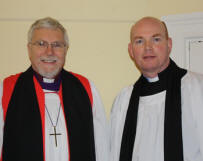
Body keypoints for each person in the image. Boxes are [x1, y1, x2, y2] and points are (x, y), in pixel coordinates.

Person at [0, 17, 109, 161]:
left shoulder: (85, 89)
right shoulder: (8, 90)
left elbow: (102, 149)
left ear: (66, 50)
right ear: (29, 49)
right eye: (41, 44)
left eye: (57, 45)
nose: (49, 52)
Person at [110, 16, 203, 161]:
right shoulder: (124, 100)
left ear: (169, 44)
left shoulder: (197, 87)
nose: (148, 47)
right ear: (131, 50)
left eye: (156, 39)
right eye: (139, 41)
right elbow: (114, 155)